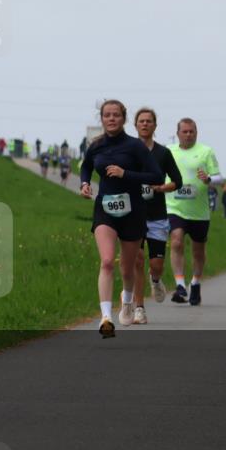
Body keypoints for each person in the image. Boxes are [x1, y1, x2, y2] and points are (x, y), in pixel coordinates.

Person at [80, 100, 163, 338]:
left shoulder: (135, 146)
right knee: (107, 261)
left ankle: (127, 301)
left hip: (133, 211)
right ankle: (105, 318)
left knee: (127, 268)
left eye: (116, 115)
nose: (111, 119)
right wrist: (85, 183)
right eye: (107, 115)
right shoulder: (96, 146)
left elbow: (156, 174)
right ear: (102, 119)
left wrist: (125, 173)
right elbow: (86, 167)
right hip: (105, 208)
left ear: (123, 118)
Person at [130, 107, 183, 325]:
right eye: (141, 121)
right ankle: (139, 309)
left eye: (149, 121)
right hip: (133, 215)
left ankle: (156, 279)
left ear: (155, 125)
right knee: (137, 261)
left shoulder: (163, 153)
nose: (145, 124)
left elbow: (177, 181)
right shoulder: (128, 151)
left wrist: (162, 188)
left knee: (155, 264)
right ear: (135, 125)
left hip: (157, 215)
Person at [165, 118, 222, 307]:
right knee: (176, 240)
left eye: (192, 131)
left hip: (199, 211)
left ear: (196, 133)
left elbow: (219, 177)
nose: (188, 135)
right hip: (175, 207)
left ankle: (196, 282)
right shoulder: (169, 151)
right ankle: (180, 284)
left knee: (198, 251)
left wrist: (208, 179)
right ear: (178, 133)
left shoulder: (206, 151)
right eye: (185, 131)